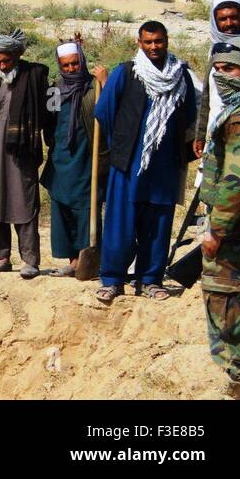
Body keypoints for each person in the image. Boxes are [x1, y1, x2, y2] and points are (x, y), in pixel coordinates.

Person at [95, 20, 196, 304]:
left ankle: (150, 279)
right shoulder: (127, 72)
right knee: (120, 224)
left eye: (159, 41)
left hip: (164, 167)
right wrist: (125, 144)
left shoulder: (181, 76)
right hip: (128, 165)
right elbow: (104, 112)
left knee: (158, 224)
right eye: (148, 42)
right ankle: (113, 279)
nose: (154, 47)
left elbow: (189, 116)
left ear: (167, 40)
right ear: (139, 43)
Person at [198, 37, 240, 397]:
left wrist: (215, 230)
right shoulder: (237, 111)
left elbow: (238, 181)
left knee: (228, 300)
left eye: (229, 69)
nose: (221, 76)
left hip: (236, 231)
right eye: (216, 69)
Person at [0, 30, 52, 279]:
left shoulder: (36, 75)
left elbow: (50, 109)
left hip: (22, 150)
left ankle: (30, 259)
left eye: (6, 60)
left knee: (23, 201)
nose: (2, 65)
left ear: (18, 55)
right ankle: (1, 255)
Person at [40, 39, 108, 276]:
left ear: (82, 61)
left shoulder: (93, 87)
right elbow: (48, 124)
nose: (71, 69)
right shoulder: (54, 89)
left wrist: (105, 83)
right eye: (66, 65)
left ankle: (87, 258)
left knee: (86, 207)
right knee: (62, 205)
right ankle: (72, 261)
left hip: (87, 156)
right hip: (61, 157)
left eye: (75, 64)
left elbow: (110, 113)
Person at [194, 0, 240, 159]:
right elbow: (207, 95)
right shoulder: (215, 51)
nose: (229, 23)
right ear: (215, 21)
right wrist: (200, 134)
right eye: (223, 19)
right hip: (216, 127)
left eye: (234, 17)